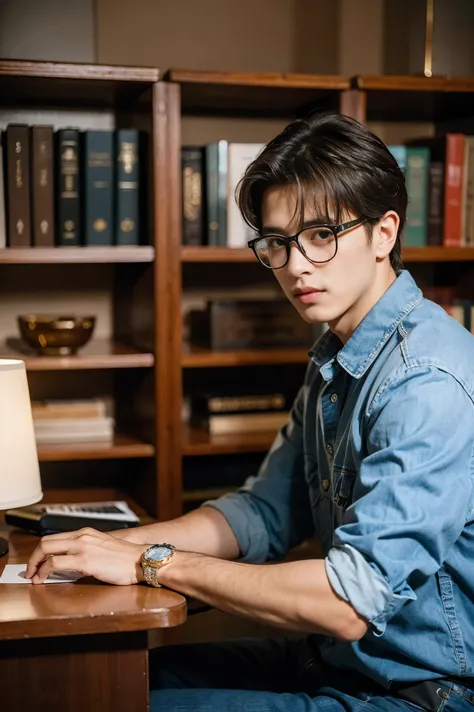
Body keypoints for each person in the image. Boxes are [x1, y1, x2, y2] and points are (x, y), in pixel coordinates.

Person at [26, 112, 474, 712]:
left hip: (419, 693)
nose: (295, 265)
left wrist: (151, 562)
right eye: (278, 243)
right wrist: (107, 547)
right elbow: (263, 512)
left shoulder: (426, 381)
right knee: (94, 684)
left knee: (114, 702)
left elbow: (348, 600)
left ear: (384, 234)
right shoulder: (339, 354)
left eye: (321, 235)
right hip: (337, 661)